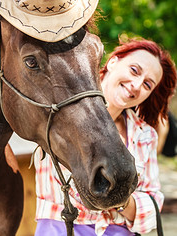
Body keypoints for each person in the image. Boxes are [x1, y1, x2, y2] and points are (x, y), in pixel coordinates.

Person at [34, 37, 177, 236]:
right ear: (113, 61)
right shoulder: (59, 109)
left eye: (147, 84)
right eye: (134, 70)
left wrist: (121, 201)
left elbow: (153, 205)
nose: (136, 85)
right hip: (62, 229)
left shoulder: (145, 135)